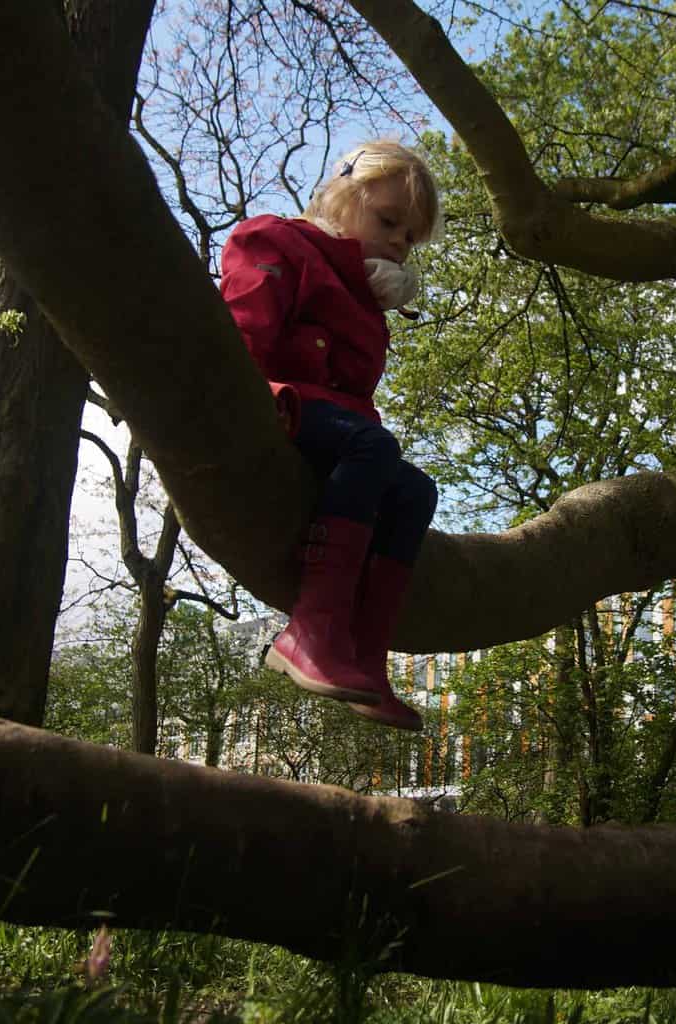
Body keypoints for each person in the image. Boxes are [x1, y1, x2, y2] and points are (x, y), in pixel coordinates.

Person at [218, 140, 442, 732]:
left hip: (339, 433)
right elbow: (242, 337)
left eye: (409, 236)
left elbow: (355, 401)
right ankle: (309, 630)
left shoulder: (369, 304)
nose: (398, 241)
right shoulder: (275, 240)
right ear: (345, 196)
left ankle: (363, 660)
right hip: (278, 405)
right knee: (374, 447)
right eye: (388, 221)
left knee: (417, 491)